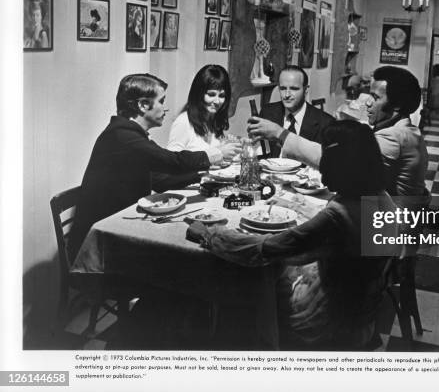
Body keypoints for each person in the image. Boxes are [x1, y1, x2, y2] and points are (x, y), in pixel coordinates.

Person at [192, 120, 400, 350]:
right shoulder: (381, 197)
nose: (322, 168)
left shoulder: (337, 214)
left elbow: (270, 248)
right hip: (362, 313)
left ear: (342, 164)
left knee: (246, 287)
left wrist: (210, 235)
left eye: (327, 159)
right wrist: (295, 205)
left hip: (329, 319)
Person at [68, 74, 212, 262]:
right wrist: (212, 156)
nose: (165, 107)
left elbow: (160, 181)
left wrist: (203, 176)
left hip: (116, 231)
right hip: (98, 247)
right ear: (143, 105)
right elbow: (172, 161)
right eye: (161, 101)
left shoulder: (129, 134)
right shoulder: (123, 137)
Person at [249, 66, 429, 203]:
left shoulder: (394, 137)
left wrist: (280, 133)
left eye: (375, 97)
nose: (367, 103)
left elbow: (336, 163)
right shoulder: (404, 129)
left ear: (397, 105)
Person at [166, 65, 241, 165]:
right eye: (211, 95)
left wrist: (231, 147)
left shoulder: (213, 120)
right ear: (199, 93)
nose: (217, 101)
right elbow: (172, 162)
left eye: (222, 96)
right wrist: (219, 152)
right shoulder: (183, 121)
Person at [255, 66, 334, 157]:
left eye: (294, 89)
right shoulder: (267, 112)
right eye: (283, 88)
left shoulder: (325, 123)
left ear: (306, 90)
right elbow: (261, 151)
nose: (287, 95)